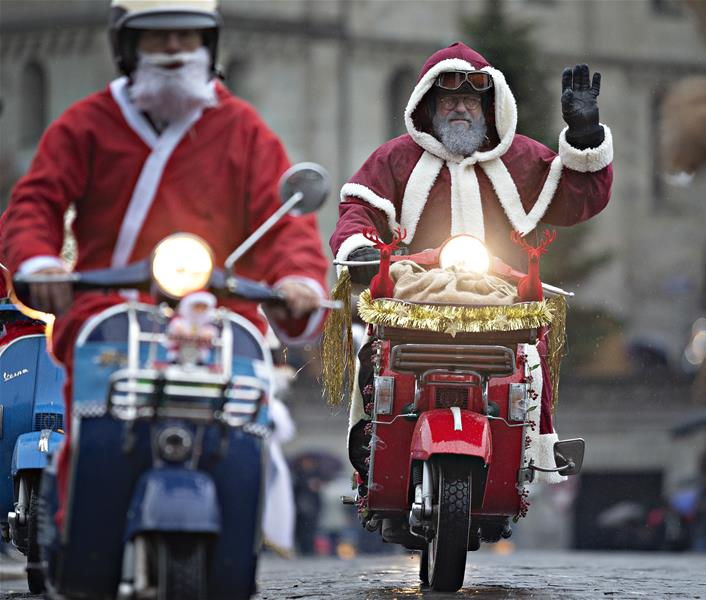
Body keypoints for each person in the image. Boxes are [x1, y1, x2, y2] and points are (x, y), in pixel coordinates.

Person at [0, 0, 329, 526]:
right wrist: (39, 261)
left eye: (188, 37)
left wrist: (297, 280)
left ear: (209, 46)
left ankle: (240, 526)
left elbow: (283, 222)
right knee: (86, 437)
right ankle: (75, 532)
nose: (175, 50)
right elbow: (35, 200)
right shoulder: (86, 124)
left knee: (246, 436)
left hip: (216, 314)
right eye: (158, 38)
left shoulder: (242, 128)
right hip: (108, 311)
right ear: (127, 47)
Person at [329, 42, 614, 482]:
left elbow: (581, 198)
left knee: (532, 362)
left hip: (500, 297)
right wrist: (361, 247)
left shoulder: (520, 158)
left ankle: (530, 450)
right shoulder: (396, 158)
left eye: (470, 99)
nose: (460, 108)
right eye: (448, 99)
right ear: (429, 105)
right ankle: (372, 441)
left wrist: (584, 138)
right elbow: (357, 211)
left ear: (489, 105)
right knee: (376, 353)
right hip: (414, 295)